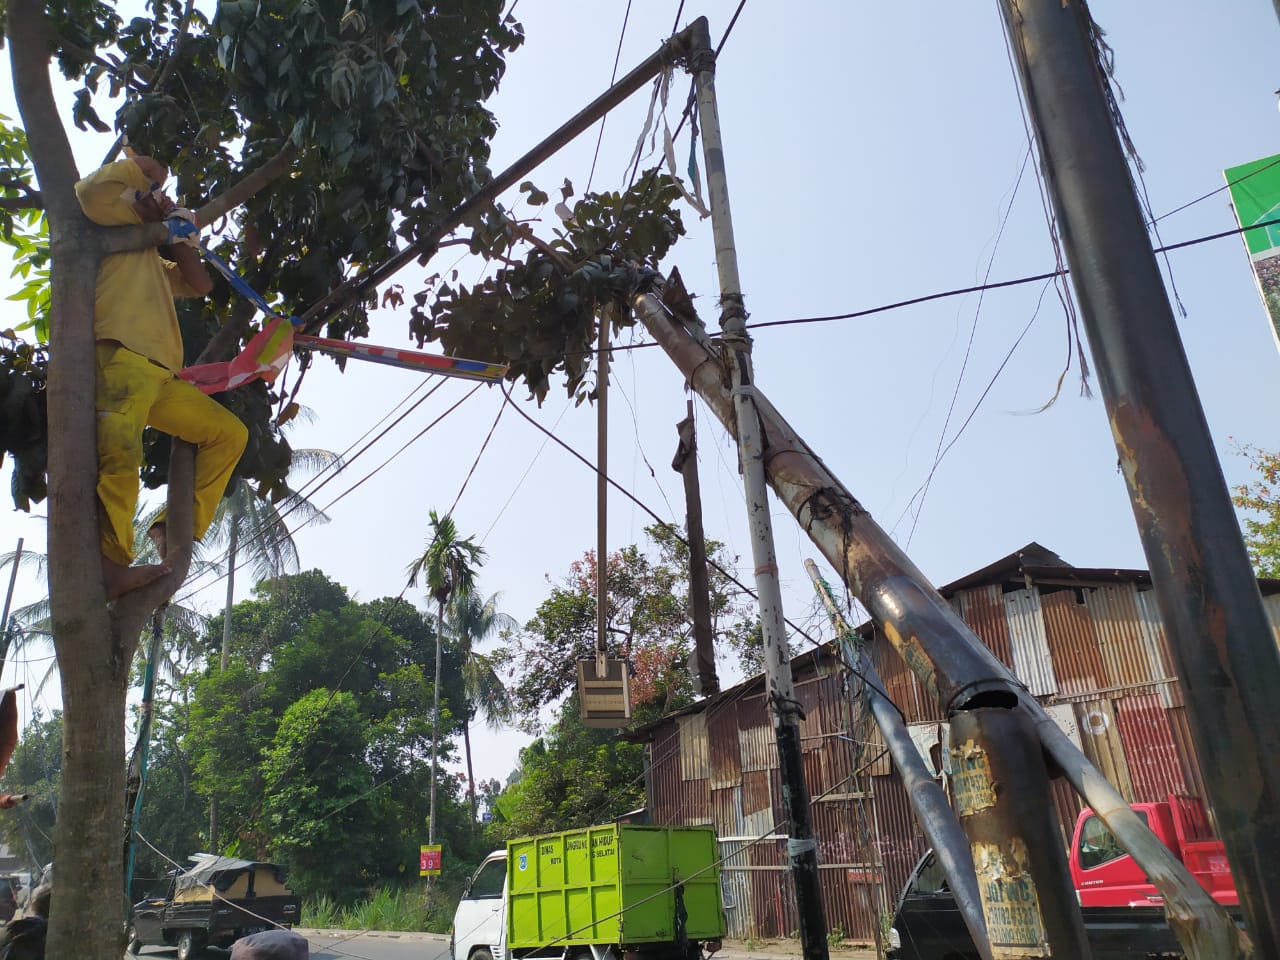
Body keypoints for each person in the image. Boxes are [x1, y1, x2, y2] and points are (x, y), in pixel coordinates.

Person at [74, 155, 249, 600]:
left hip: (162, 377)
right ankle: (113, 566)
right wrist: (146, 177)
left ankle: (171, 528)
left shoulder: (151, 256)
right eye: (152, 190)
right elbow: (90, 193)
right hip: (123, 360)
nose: (162, 193)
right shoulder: (111, 235)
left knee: (229, 434)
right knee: (120, 462)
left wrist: (181, 231)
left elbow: (200, 284)